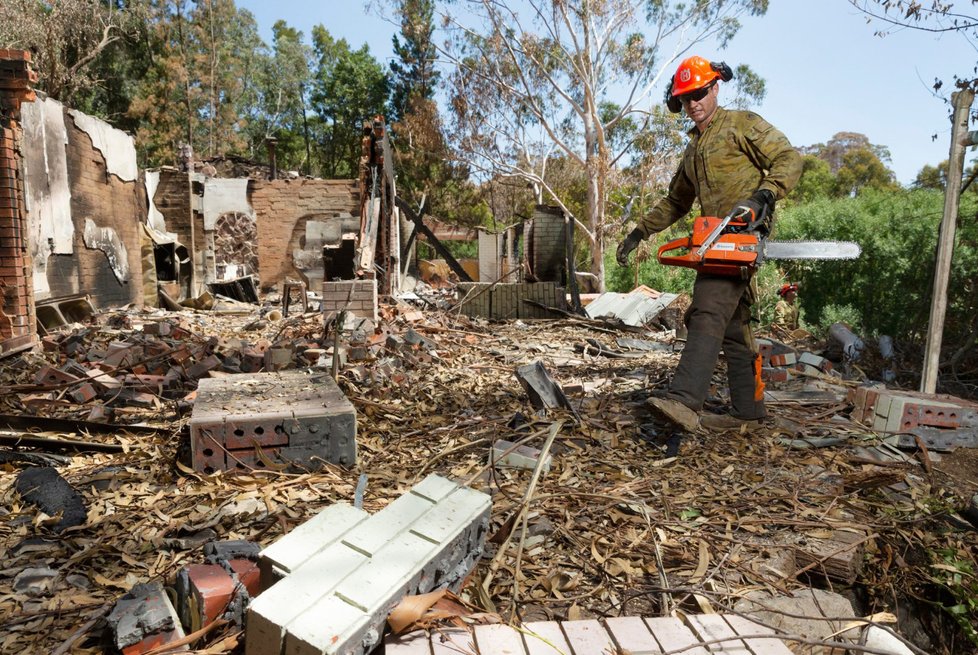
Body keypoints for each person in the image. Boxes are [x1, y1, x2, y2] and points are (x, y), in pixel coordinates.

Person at [616, 55, 802, 432]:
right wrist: (640, 232)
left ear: (715, 87)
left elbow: (788, 158)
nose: (693, 104)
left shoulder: (741, 125)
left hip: (740, 238)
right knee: (734, 328)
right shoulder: (694, 148)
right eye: (685, 99)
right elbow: (676, 201)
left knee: (706, 311)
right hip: (711, 241)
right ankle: (748, 412)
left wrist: (764, 196)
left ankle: (685, 401)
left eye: (699, 94)